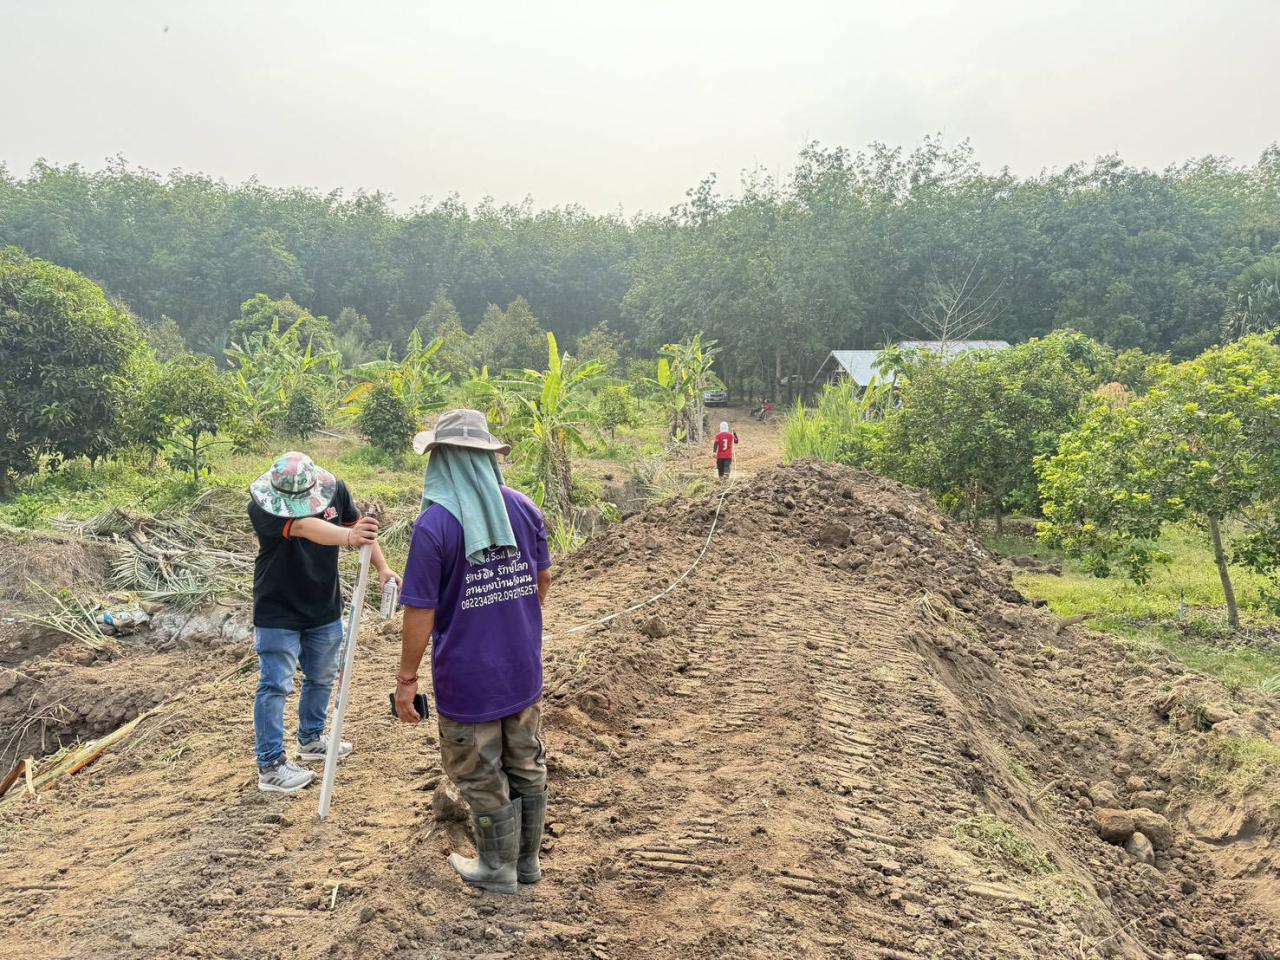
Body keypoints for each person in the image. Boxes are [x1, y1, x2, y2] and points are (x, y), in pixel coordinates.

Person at [395, 409, 553, 895]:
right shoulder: (523, 508)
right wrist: (510, 620)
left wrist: (406, 681)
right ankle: (527, 865)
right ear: (487, 459)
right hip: (521, 669)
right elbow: (541, 579)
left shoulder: (435, 526)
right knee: (526, 762)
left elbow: (420, 613)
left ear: (440, 461)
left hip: (469, 678)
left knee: (477, 768)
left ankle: (496, 867)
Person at [249, 451, 400, 794]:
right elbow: (305, 527)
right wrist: (348, 538)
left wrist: (382, 567)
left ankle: (312, 738)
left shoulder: (336, 491)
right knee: (275, 685)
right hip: (278, 609)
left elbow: (356, 528)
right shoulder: (261, 506)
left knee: (323, 676)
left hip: (323, 606)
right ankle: (271, 765)